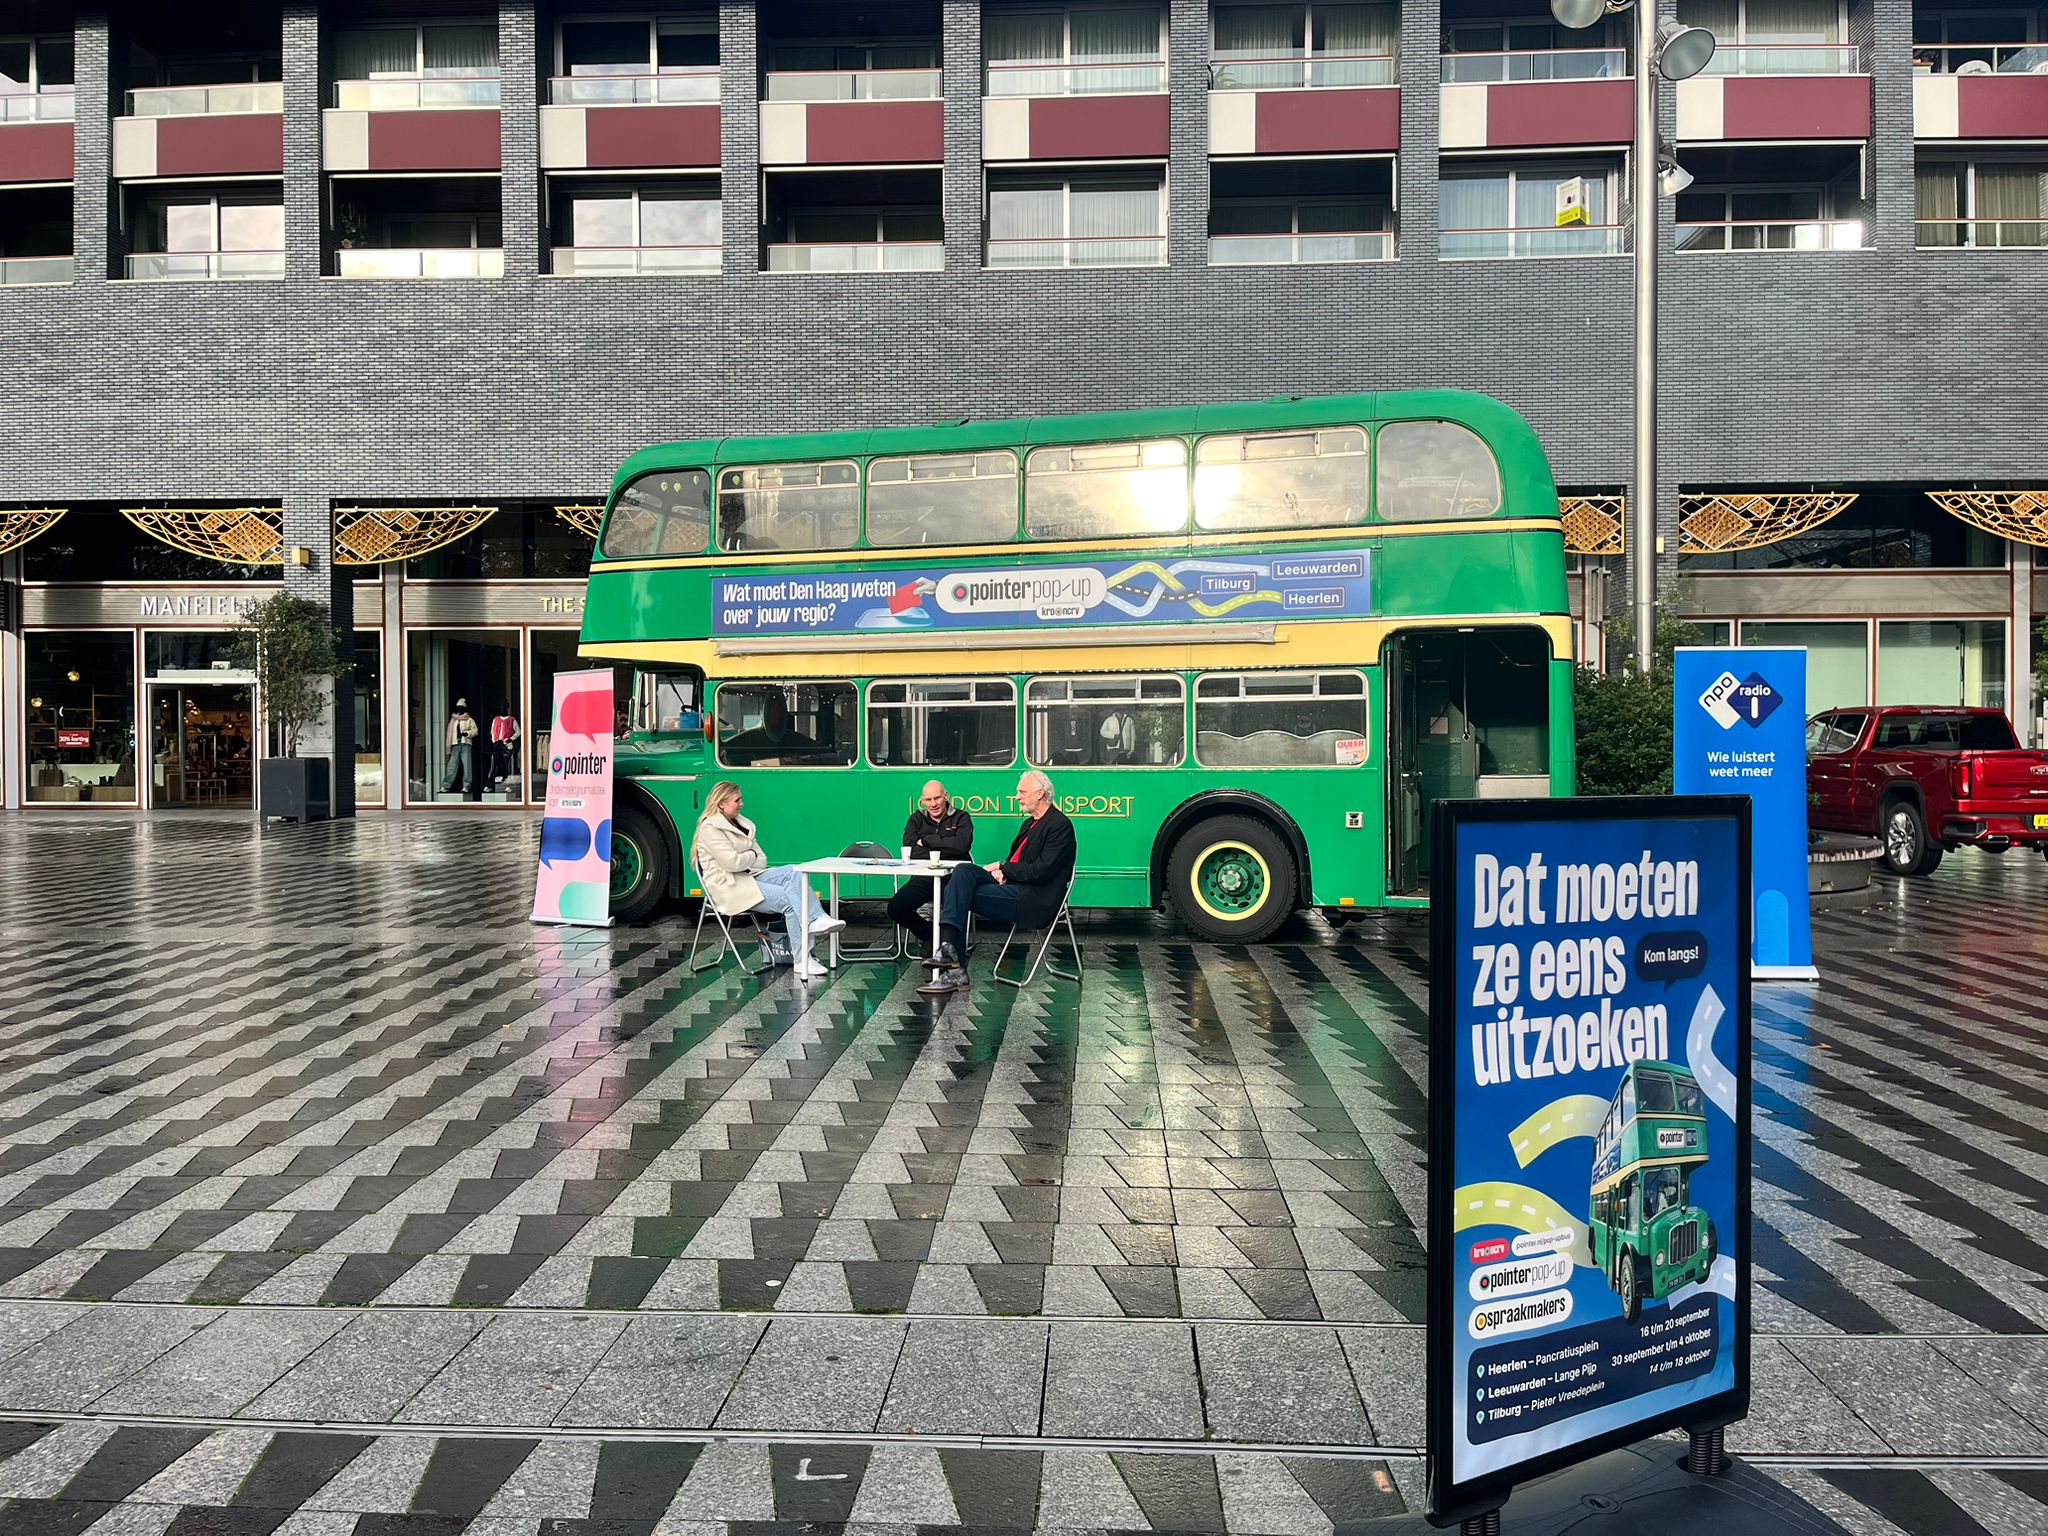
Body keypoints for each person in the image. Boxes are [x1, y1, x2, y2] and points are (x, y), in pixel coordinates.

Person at [919, 769, 1075, 996]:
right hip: (1014, 885)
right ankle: (949, 954)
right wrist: (1004, 868)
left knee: (958, 893)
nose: (1017, 797)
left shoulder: (1059, 825)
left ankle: (953, 965)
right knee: (963, 871)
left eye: (1022, 792)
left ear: (1040, 793)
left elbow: (1041, 871)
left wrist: (1004, 868)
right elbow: (1018, 861)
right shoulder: (1029, 824)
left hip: (1034, 900)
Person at [693, 780, 844, 980]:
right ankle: (802, 960)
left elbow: (761, 860)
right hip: (728, 887)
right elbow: (732, 863)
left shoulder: (741, 823)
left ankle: (815, 918)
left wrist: (746, 858)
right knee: (791, 901)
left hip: (747, 877)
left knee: (794, 871)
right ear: (721, 803)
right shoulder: (710, 828)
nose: (742, 804)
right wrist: (749, 856)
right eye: (737, 800)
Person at [887, 780, 975, 953]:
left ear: (946, 796)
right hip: (923, 879)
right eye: (928, 800)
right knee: (895, 908)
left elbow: (962, 846)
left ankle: (950, 951)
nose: (933, 804)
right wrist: (948, 847)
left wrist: (927, 840)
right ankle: (931, 935)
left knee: (955, 910)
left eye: (937, 798)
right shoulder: (916, 819)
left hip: (952, 880)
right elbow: (910, 851)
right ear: (922, 801)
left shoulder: (962, 817)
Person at [722, 693, 824, 766]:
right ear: (766, 714)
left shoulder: (800, 741)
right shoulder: (744, 741)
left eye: (779, 712)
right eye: (773, 712)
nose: (776, 715)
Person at [441, 699, 478, 794]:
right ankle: (446, 786)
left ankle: (466, 786)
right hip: (455, 744)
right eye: (458, 707)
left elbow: (475, 730)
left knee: (467, 766)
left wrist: (467, 733)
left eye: (461, 707)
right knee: (451, 766)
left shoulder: (469, 719)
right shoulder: (454, 720)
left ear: (464, 708)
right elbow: (450, 732)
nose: (459, 709)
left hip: (465, 743)